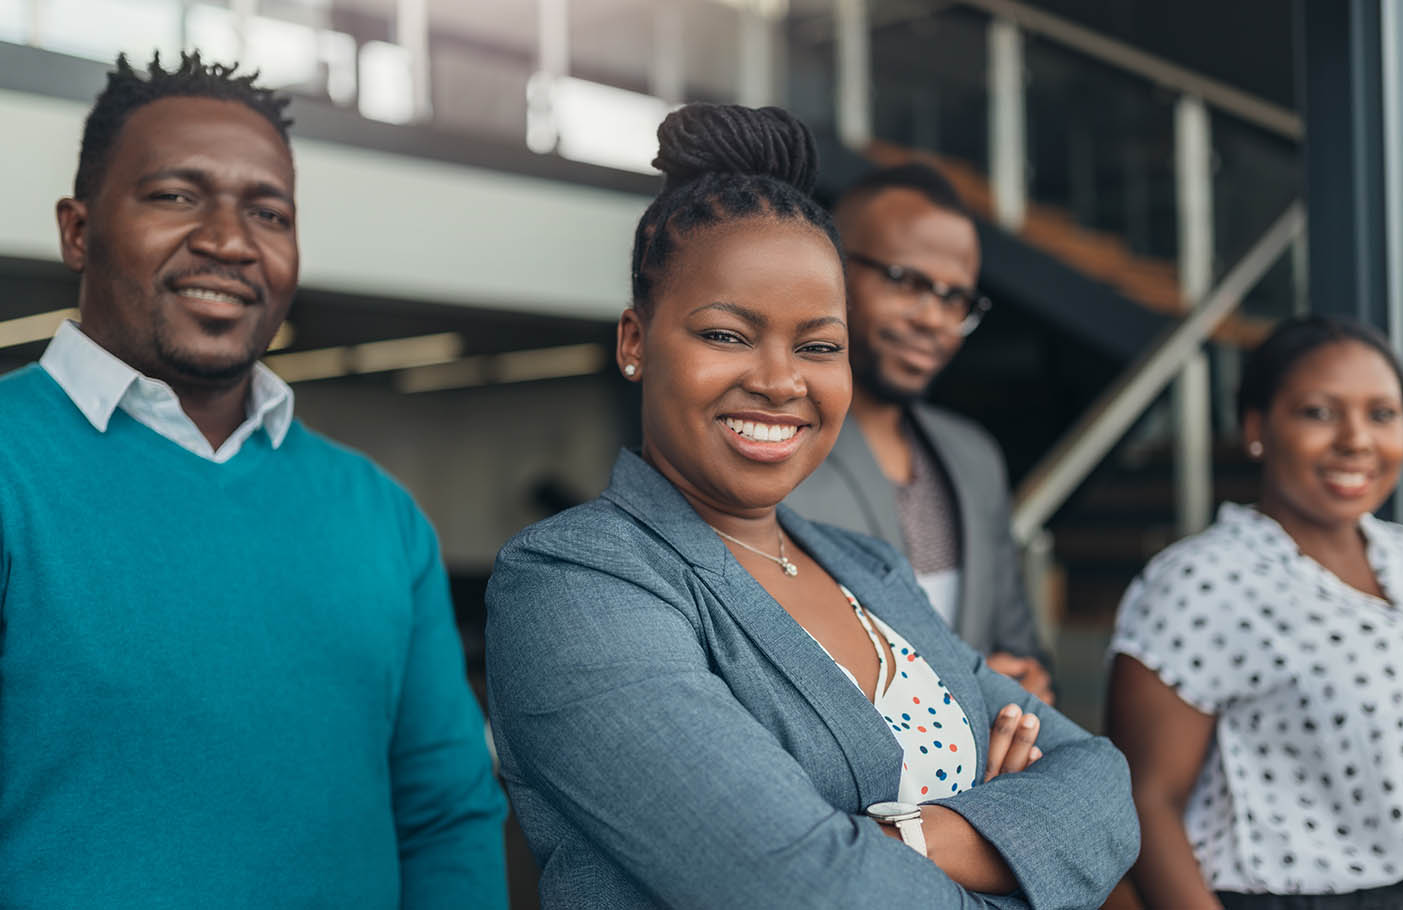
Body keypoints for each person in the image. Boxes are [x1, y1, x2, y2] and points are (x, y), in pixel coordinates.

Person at [486, 103, 1137, 909]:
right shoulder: (574, 584)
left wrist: (896, 833)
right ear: (634, 342)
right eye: (726, 334)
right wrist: (1008, 847)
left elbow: (1102, 784)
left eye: (818, 345)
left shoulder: (866, 566)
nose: (781, 379)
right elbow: (804, 889)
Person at [0, 53, 508, 907]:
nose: (230, 241)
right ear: (78, 230)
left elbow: (445, 816)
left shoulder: (380, 518)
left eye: (267, 211)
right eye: (176, 196)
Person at [1107, 316, 1403, 909]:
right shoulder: (1203, 580)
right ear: (1257, 427)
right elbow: (1146, 800)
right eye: (1319, 412)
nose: (1356, 440)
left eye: (1382, 414)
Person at [784, 163, 1052, 702]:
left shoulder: (974, 456)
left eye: (955, 299)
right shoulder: (773, 442)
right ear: (830, 269)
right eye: (906, 281)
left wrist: (1030, 686)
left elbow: (1020, 644)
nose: (934, 319)